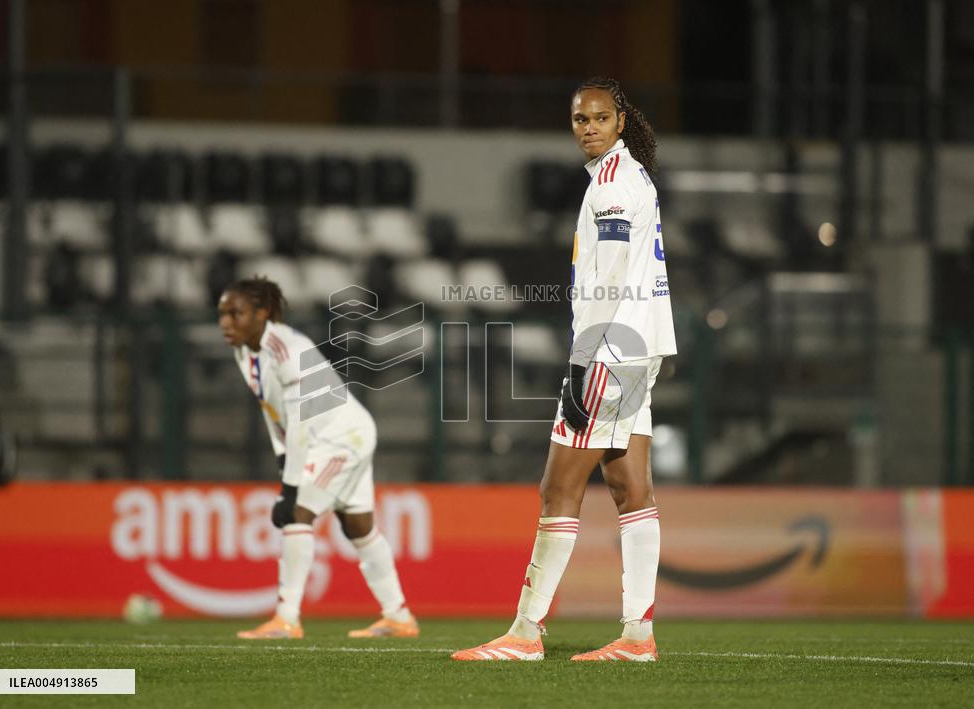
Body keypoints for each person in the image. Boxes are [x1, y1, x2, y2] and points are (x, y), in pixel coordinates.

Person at [452, 77, 676, 662]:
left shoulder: (612, 185)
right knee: (631, 490)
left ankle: (525, 633)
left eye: (600, 118)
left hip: (610, 351)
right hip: (638, 349)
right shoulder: (632, 176)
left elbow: (610, 280)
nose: (589, 128)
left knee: (558, 489)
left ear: (620, 120)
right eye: (581, 119)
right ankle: (637, 636)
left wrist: (582, 363)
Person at [218, 276, 418, 639]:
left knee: (298, 512)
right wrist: (283, 458)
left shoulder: (288, 349)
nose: (226, 322)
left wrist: (289, 487)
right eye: (222, 314)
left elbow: (299, 420)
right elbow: (272, 409)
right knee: (358, 526)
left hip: (340, 438)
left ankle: (286, 619)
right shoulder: (245, 352)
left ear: (262, 313)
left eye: (236, 313)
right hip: (336, 435)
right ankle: (399, 617)